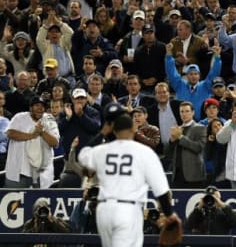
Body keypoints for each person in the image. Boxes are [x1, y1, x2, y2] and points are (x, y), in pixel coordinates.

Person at [78, 112, 181, 247]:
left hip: (104, 210)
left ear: (113, 130)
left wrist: (102, 133)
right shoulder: (144, 152)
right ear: (133, 129)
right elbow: (161, 190)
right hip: (128, 210)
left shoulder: (102, 150)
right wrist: (169, 214)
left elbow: (82, 156)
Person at [4, 96, 59, 188]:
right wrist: (32, 135)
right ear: (30, 108)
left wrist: (42, 132)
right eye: (37, 105)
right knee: (15, 200)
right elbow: (10, 133)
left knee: (39, 201)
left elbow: (55, 143)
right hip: (19, 171)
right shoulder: (19, 117)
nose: (40, 108)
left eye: (42, 106)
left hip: (40, 173)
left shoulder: (49, 120)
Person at [165, 101, 207, 188]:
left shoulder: (200, 128)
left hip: (193, 175)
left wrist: (180, 137)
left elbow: (198, 147)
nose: (184, 114)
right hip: (177, 174)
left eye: (187, 111)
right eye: (182, 111)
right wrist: (172, 141)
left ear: (193, 112)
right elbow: (168, 153)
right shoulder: (177, 129)